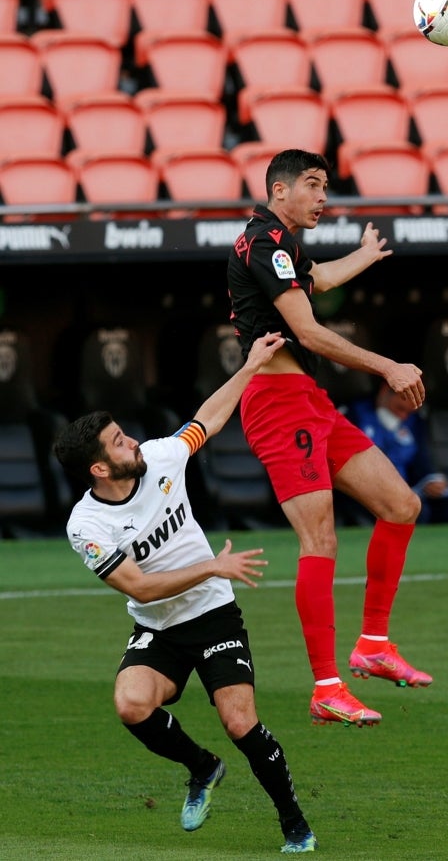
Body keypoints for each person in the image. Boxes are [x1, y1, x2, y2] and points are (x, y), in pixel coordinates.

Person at [53, 332, 318, 856]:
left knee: (240, 720)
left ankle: (295, 825)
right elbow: (140, 587)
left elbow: (207, 420)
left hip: (214, 615)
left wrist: (252, 366)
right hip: (158, 625)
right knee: (130, 705)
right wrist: (212, 565)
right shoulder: (86, 525)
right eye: (119, 443)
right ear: (99, 470)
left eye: (124, 433)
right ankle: (203, 768)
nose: (132, 442)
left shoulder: (160, 458)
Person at [227, 148, 433, 730]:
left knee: (402, 505)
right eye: (313, 186)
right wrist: (388, 366)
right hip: (275, 404)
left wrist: (365, 256)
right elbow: (309, 331)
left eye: (326, 187)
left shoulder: (282, 245)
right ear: (279, 190)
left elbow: (314, 281)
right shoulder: (263, 243)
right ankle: (326, 687)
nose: (323, 197)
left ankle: (372, 644)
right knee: (320, 540)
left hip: (311, 403)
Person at [346, 381, 448, 525]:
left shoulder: (414, 421)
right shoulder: (355, 414)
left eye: (408, 412)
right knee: (413, 511)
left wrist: (430, 479)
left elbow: (421, 457)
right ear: (384, 391)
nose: (403, 416)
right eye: (400, 408)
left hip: (409, 489)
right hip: (369, 493)